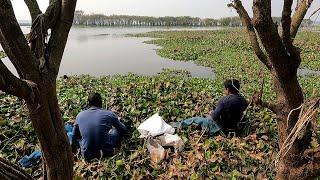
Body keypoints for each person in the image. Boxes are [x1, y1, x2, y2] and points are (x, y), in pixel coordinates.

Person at [72, 93, 128, 161]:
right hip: (106, 152)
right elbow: (123, 130)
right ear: (101, 102)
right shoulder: (109, 114)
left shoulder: (80, 115)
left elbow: (74, 136)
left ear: (88, 103)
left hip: (87, 154)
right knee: (116, 131)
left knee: (75, 134)